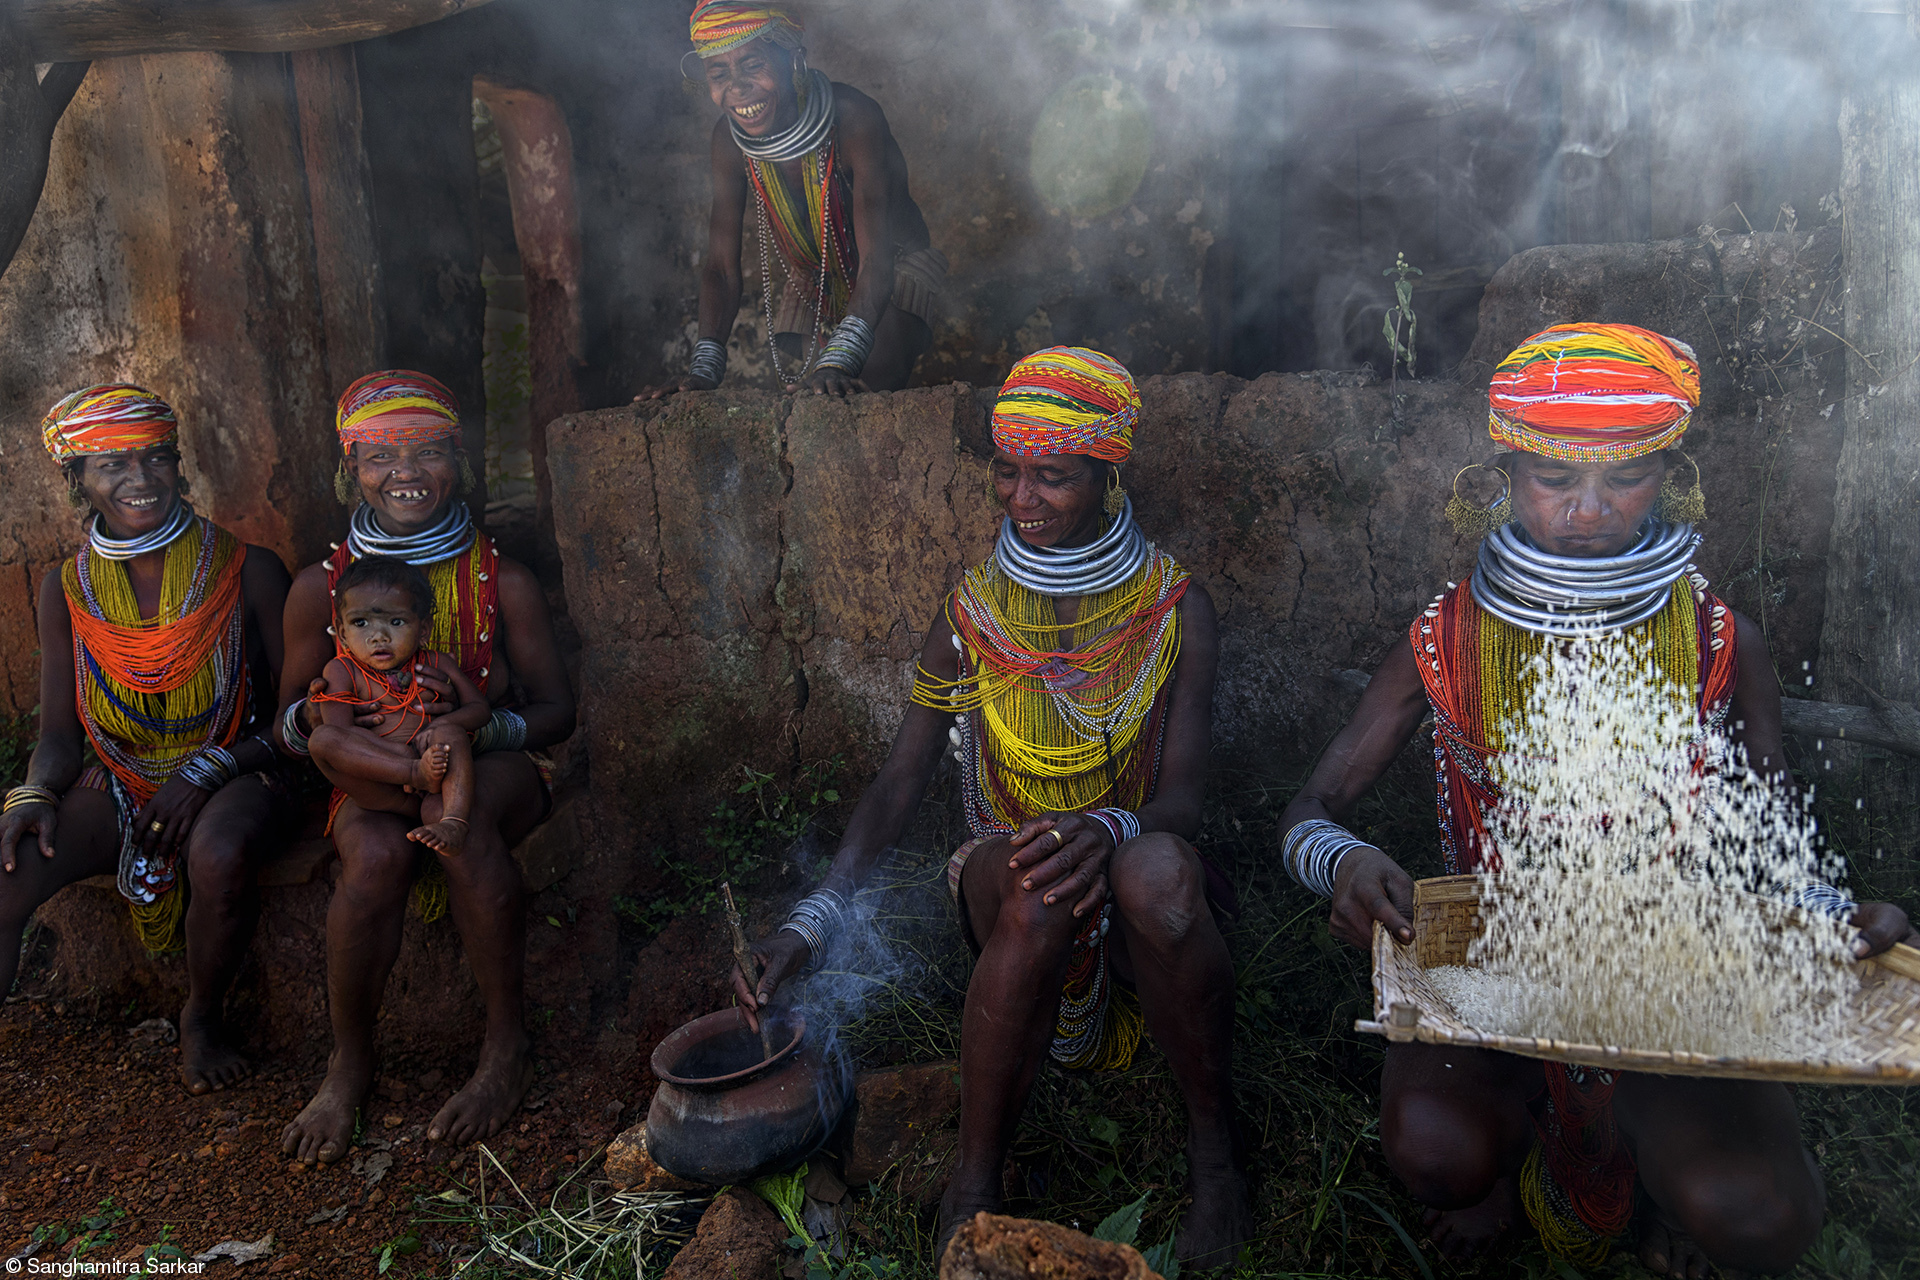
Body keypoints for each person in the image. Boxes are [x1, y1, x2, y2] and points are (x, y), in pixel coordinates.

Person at [1279, 323, 1920, 1277]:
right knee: (1437, 1154)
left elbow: (1773, 836)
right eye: (1554, 480)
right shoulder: (1447, 639)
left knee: (1762, 1219)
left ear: (1671, 475)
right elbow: (1307, 811)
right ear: (1504, 475)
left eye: (1624, 479)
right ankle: (1512, 1155)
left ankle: (1646, 1158)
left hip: (1674, 972)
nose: (1589, 511)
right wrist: (1348, 862)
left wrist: (1836, 914)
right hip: (1497, 966)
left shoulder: (1716, 639)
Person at [730, 348, 1251, 1269]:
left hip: (1132, 870)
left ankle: (1216, 1156)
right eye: (1008, 473)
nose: (1023, 499)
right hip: (1007, 882)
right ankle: (975, 1183)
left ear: (1106, 471)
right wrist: (809, 925)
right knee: (1031, 882)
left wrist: (1111, 828)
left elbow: (1184, 803)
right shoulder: (972, 616)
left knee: (1164, 876)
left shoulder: (1174, 610)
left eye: (1053, 476)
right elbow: (899, 785)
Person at [277, 371, 575, 1164]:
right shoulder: (319, 589)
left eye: (429, 452)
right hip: (376, 770)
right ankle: (349, 1063)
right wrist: (329, 721)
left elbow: (557, 711)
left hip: (483, 766)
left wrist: (470, 721)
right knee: (371, 856)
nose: (405, 473)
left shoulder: (500, 581)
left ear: (460, 461)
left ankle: (504, 1051)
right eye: (380, 456)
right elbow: (284, 721)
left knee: (468, 834)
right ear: (350, 470)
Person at [0, 384, 293, 1093]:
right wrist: (33, 792)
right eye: (113, 465)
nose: (141, 480)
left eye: (156, 458)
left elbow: (299, 719)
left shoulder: (249, 569)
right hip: (123, 778)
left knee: (218, 854)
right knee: (7, 866)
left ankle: (202, 1016)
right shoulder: (65, 588)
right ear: (78, 481)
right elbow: (61, 735)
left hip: (237, 768)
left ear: (178, 464)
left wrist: (209, 770)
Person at [640, 0, 945, 398]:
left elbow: (877, 259)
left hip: (894, 265)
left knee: (852, 392)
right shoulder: (729, 142)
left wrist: (837, 360)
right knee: (809, 400)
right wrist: (702, 370)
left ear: (794, 60)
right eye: (719, 72)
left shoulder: (853, 119)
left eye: (752, 65)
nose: (736, 87)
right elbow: (720, 267)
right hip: (814, 278)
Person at [309, 556, 492, 855]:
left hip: (438, 771)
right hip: (382, 785)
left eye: (396, 622)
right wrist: (407, 765)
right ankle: (412, 772)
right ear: (341, 633)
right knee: (322, 739)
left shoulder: (437, 662)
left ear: (423, 630)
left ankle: (454, 822)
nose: (378, 636)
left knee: (452, 734)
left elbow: (480, 710)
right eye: (361, 622)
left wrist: (442, 726)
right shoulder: (340, 671)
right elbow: (342, 733)